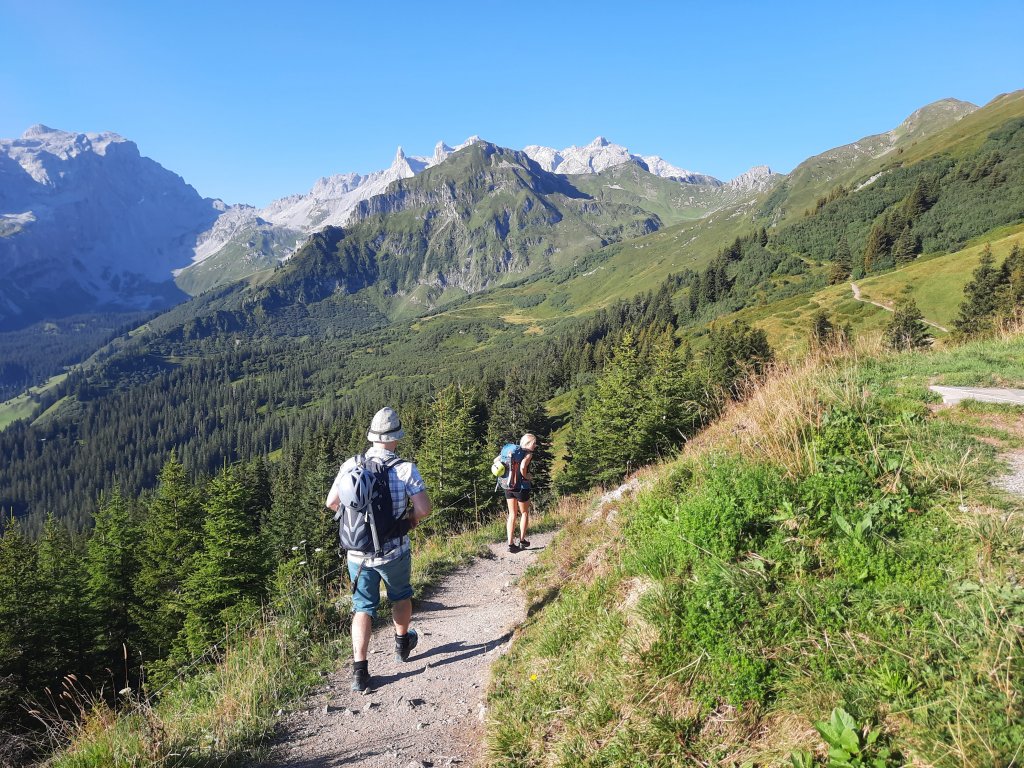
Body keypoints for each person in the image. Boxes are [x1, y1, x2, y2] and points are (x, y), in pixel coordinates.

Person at [325, 406, 432, 693]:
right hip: (394, 551)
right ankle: (402, 643)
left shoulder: (350, 464)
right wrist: (409, 521)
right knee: (400, 596)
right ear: (396, 437)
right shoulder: (405, 469)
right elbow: (424, 509)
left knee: (363, 608)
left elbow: (332, 503)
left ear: (372, 436)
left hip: (358, 555)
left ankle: (360, 672)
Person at [505, 433, 537, 553]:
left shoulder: (512, 451)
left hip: (508, 486)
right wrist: (526, 476)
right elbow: (523, 466)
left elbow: (496, 460)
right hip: (521, 487)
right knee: (524, 513)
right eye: (534, 443)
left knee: (512, 514)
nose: (535, 446)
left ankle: (510, 544)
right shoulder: (528, 454)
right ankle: (522, 541)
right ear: (528, 444)